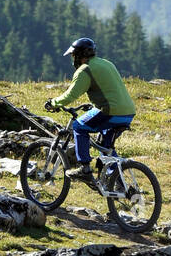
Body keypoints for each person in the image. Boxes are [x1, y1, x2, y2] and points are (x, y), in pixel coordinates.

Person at [47, 37, 135, 185]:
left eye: (73, 56)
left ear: (79, 55)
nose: (72, 59)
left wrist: (53, 103)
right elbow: (109, 89)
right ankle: (118, 183)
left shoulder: (85, 70)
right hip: (127, 113)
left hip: (110, 112)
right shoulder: (107, 63)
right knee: (105, 146)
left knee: (79, 126)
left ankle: (85, 169)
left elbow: (71, 95)